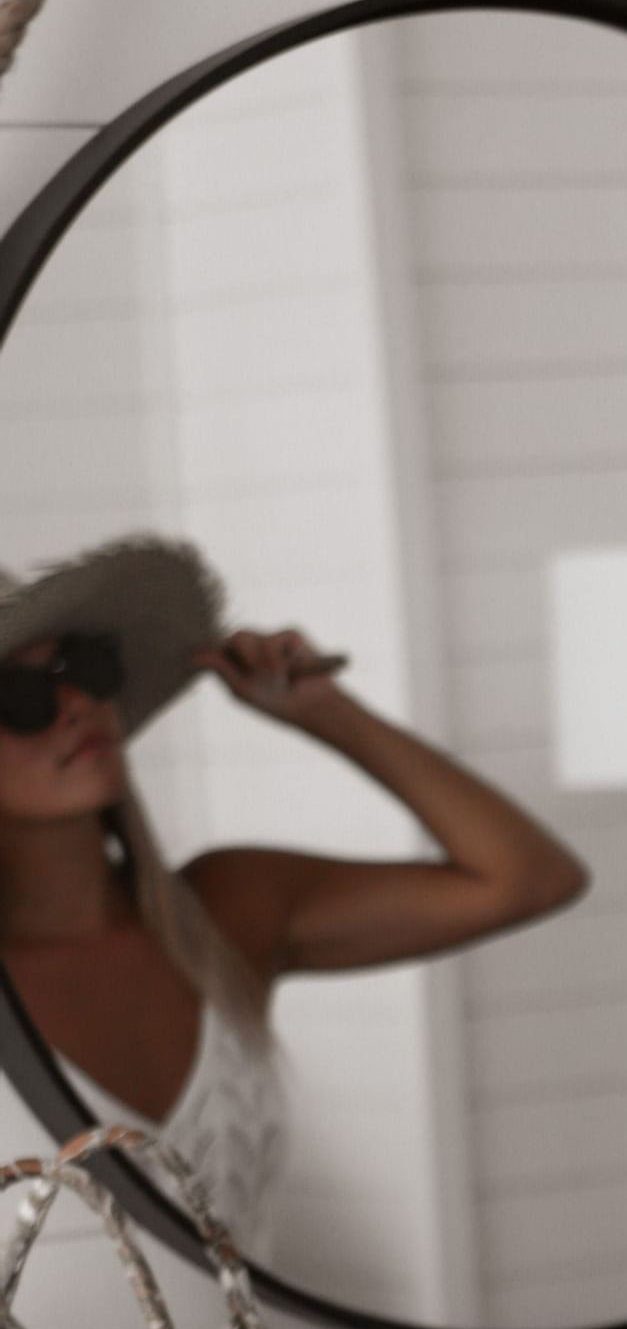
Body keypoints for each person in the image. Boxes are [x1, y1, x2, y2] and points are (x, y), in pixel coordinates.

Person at [0, 533, 590, 1254]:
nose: (74, 703)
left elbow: (529, 879)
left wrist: (324, 710)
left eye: (84, 667)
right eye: (19, 696)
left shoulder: (223, 911)